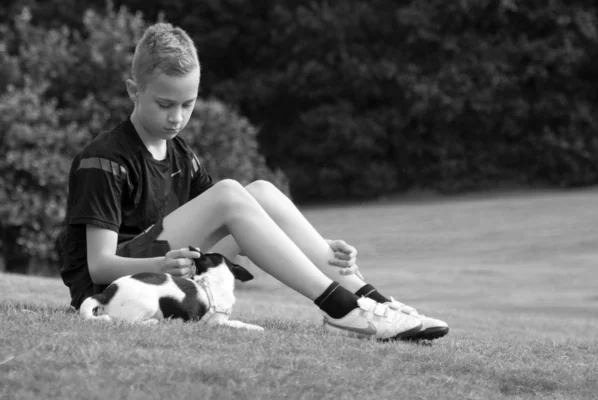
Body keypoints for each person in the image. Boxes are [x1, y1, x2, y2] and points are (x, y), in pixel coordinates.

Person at [59, 22, 449, 341]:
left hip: (163, 272)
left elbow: (241, 220)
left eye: (188, 104)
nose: (177, 117)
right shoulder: (105, 158)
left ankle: (373, 301)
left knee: (260, 192)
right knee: (229, 193)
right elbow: (98, 267)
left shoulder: (182, 155)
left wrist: (316, 247)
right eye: (164, 104)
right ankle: (343, 310)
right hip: (111, 293)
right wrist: (161, 261)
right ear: (133, 91)